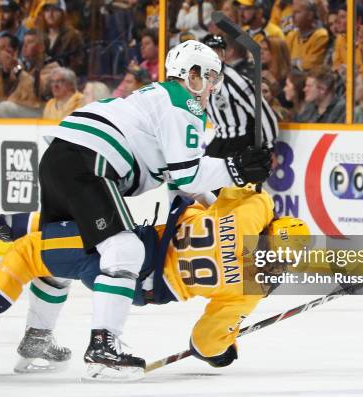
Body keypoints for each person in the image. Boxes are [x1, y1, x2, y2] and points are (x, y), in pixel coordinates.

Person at [23, 40, 271, 379]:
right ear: (191, 73)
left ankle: (34, 338)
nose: (212, 85)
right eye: (209, 76)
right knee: (125, 249)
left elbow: (181, 182)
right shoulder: (185, 104)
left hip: (61, 154)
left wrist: (219, 205)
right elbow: (189, 173)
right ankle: (103, 349)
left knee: (54, 248)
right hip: (90, 160)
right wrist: (236, 169)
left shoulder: (158, 97)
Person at [0, 187, 309, 374]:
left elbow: (217, 194)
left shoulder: (255, 213)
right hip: (141, 286)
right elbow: (204, 344)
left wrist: (256, 194)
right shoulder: (248, 293)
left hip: (131, 251)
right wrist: (225, 349)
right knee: (64, 236)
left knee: (31, 252)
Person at [201, 34, 278, 159]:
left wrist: (270, 147)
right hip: (220, 139)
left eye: (217, 52)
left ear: (223, 55)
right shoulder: (203, 81)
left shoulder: (236, 81)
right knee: (203, 173)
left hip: (241, 142)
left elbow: (263, 112)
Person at [0, 32, 42, 118]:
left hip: (37, 111)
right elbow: (0, 94)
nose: (25, 45)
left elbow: (35, 88)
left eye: (5, 48)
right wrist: (6, 71)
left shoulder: (49, 65)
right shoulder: (19, 66)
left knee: (5, 107)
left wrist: (15, 67)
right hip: (16, 108)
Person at [284, 0, 329, 71]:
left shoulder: (320, 35)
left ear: (310, 15)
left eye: (297, 12)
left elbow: (310, 65)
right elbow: (282, 60)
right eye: (292, 12)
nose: (292, 16)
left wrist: (291, 63)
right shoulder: (291, 35)